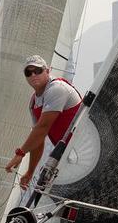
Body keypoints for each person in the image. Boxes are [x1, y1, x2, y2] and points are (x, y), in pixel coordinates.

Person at [4, 54, 83, 190]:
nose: (33, 75)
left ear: (48, 71)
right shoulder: (33, 102)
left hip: (82, 149)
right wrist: (30, 171)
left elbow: (43, 128)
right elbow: (38, 139)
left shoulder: (57, 89)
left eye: (38, 70)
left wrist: (20, 153)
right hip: (68, 155)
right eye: (28, 72)